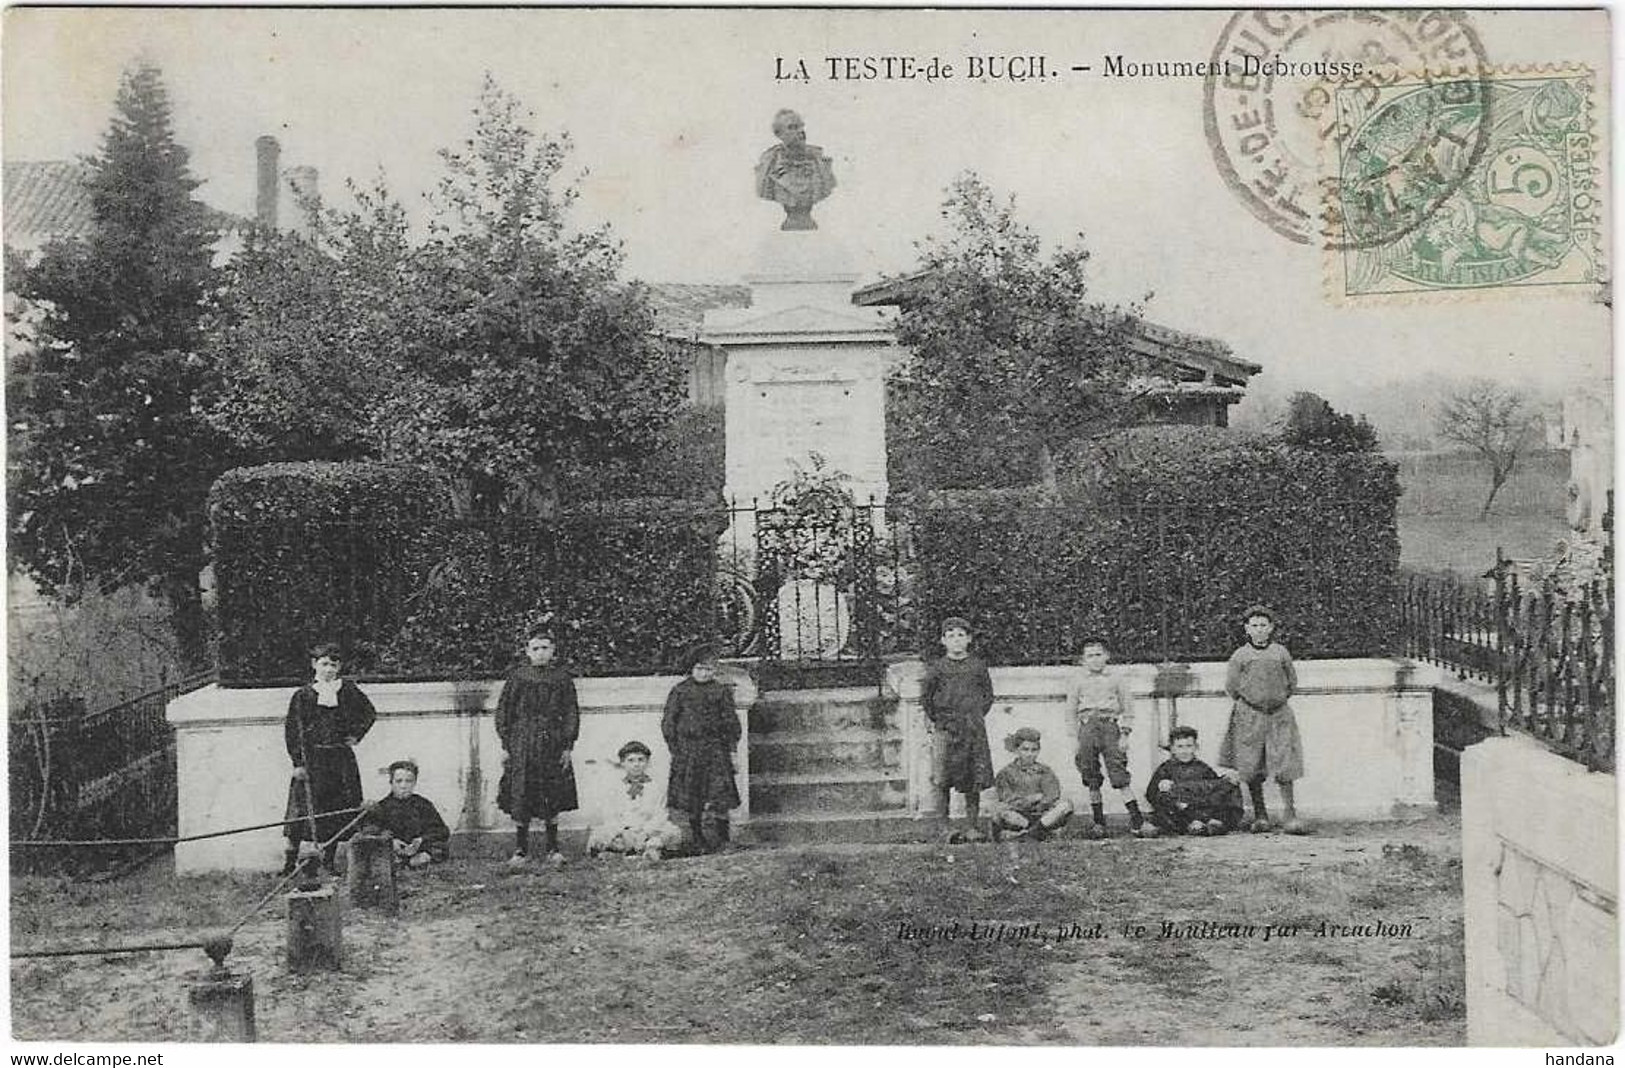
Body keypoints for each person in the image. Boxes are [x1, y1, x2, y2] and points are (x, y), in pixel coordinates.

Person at [282, 642, 377, 875]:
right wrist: (298, 763)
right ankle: (289, 863)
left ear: (339, 667)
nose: (329, 670)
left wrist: (355, 735)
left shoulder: (347, 691)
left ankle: (329, 861)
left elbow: (369, 713)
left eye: (333, 665)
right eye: (324, 664)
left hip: (339, 760)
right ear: (314, 665)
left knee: (336, 809)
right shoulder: (303, 695)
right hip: (312, 760)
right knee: (303, 810)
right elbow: (292, 731)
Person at [1218, 606, 1310, 834]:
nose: (1259, 630)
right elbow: (1232, 687)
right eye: (1254, 626)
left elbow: (1292, 683)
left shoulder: (1280, 653)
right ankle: (1260, 815)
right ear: (1247, 629)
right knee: (1251, 763)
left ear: (1271, 628)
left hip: (1279, 714)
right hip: (1249, 714)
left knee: (1285, 761)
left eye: (1263, 625)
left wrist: (1275, 701)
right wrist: (1253, 704)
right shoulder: (1240, 656)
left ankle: (1290, 814)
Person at [496, 632, 580, 866]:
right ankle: (521, 849)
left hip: (552, 742)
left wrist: (567, 745)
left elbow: (571, 713)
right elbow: (504, 712)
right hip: (523, 743)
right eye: (536, 648)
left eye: (545, 647)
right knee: (521, 794)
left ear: (553, 650)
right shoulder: (517, 678)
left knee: (551, 794)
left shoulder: (562, 678)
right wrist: (507, 744)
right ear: (527, 651)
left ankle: (553, 848)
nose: (541, 652)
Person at [1065, 640, 1155, 839]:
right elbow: (1070, 711)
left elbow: (1128, 709)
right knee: (1090, 774)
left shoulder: (1116, 679)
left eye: (1098, 654)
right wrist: (1074, 738)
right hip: (1087, 727)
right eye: (1090, 656)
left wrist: (1124, 734)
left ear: (1107, 656)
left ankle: (1137, 821)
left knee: (1118, 771)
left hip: (1110, 727)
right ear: (1083, 660)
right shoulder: (1077, 681)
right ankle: (1098, 822)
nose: (1095, 659)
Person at [921, 617, 995, 843]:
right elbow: (927, 698)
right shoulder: (936, 668)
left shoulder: (978, 666)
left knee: (973, 776)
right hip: (945, 728)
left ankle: (971, 826)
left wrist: (973, 716)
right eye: (950, 635)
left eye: (961, 635)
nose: (956, 640)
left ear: (969, 639)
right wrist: (941, 720)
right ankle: (945, 827)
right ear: (943, 641)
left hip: (972, 727)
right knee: (942, 777)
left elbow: (988, 696)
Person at [662, 644, 741, 853]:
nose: (704, 673)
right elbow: (669, 723)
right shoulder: (680, 691)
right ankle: (697, 838)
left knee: (719, 794)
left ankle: (723, 838)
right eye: (700, 668)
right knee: (692, 795)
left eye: (709, 669)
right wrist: (676, 749)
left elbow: (731, 722)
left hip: (715, 749)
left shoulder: (721, 691)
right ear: (691, 668)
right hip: (689, 750)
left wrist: (731, 750)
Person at [587, 741, 683, 860]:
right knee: (599, 835)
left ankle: (645, 851)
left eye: (641, 760)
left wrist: (645, 833)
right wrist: (623, 832)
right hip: (624, 832)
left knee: (672, 832)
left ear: (647, 762)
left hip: (647, 832)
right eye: (631, 760)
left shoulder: (656, 787)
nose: (636, 764)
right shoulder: (615, 787)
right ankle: (629, 852)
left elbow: (660, 814)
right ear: (623, 763)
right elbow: (610, 815)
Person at [1145, 726, 1245, 836]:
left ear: (1196, 747)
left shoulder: (1202, 767)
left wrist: (1226, 780)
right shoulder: (1165, 768)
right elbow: (1151, 794)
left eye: (1189, 746)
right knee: (1165, 797)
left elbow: (1215, 788)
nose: (1184, 751)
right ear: (1172, 748)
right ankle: (1195, 824)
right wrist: (1163, 787)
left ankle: (1213, 823)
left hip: (1201, 806)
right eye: (1180, 747)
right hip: (1181, 811)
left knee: (1230, 784)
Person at [362, 759, 452, 868]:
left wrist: (421, 840)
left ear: (414, 783)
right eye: (399, 781)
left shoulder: (423, 804)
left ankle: (411, 862)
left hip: (419, 849)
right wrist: (391, 842)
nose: (403, 786)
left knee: (438, 849)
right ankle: (402, 862)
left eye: (408, 781)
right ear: (391, 782)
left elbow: (441, 830)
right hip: (392, 850)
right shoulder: (382, 806)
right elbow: (372, 830)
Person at [990, 727, 1073, 841]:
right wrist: (1032, 799)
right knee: (1000, 811)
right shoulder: (1006, 773)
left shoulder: (1045, 771)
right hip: (1019, 816)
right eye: (1025, 749)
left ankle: (1029, 833)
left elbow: (1052, 795)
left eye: (1034, 750)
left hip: (1043, 816)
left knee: (1066, 805)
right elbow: (1008, 798)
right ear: (1017, 750)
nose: (1030, 754)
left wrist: (1041, 804)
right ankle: (1040, 832)